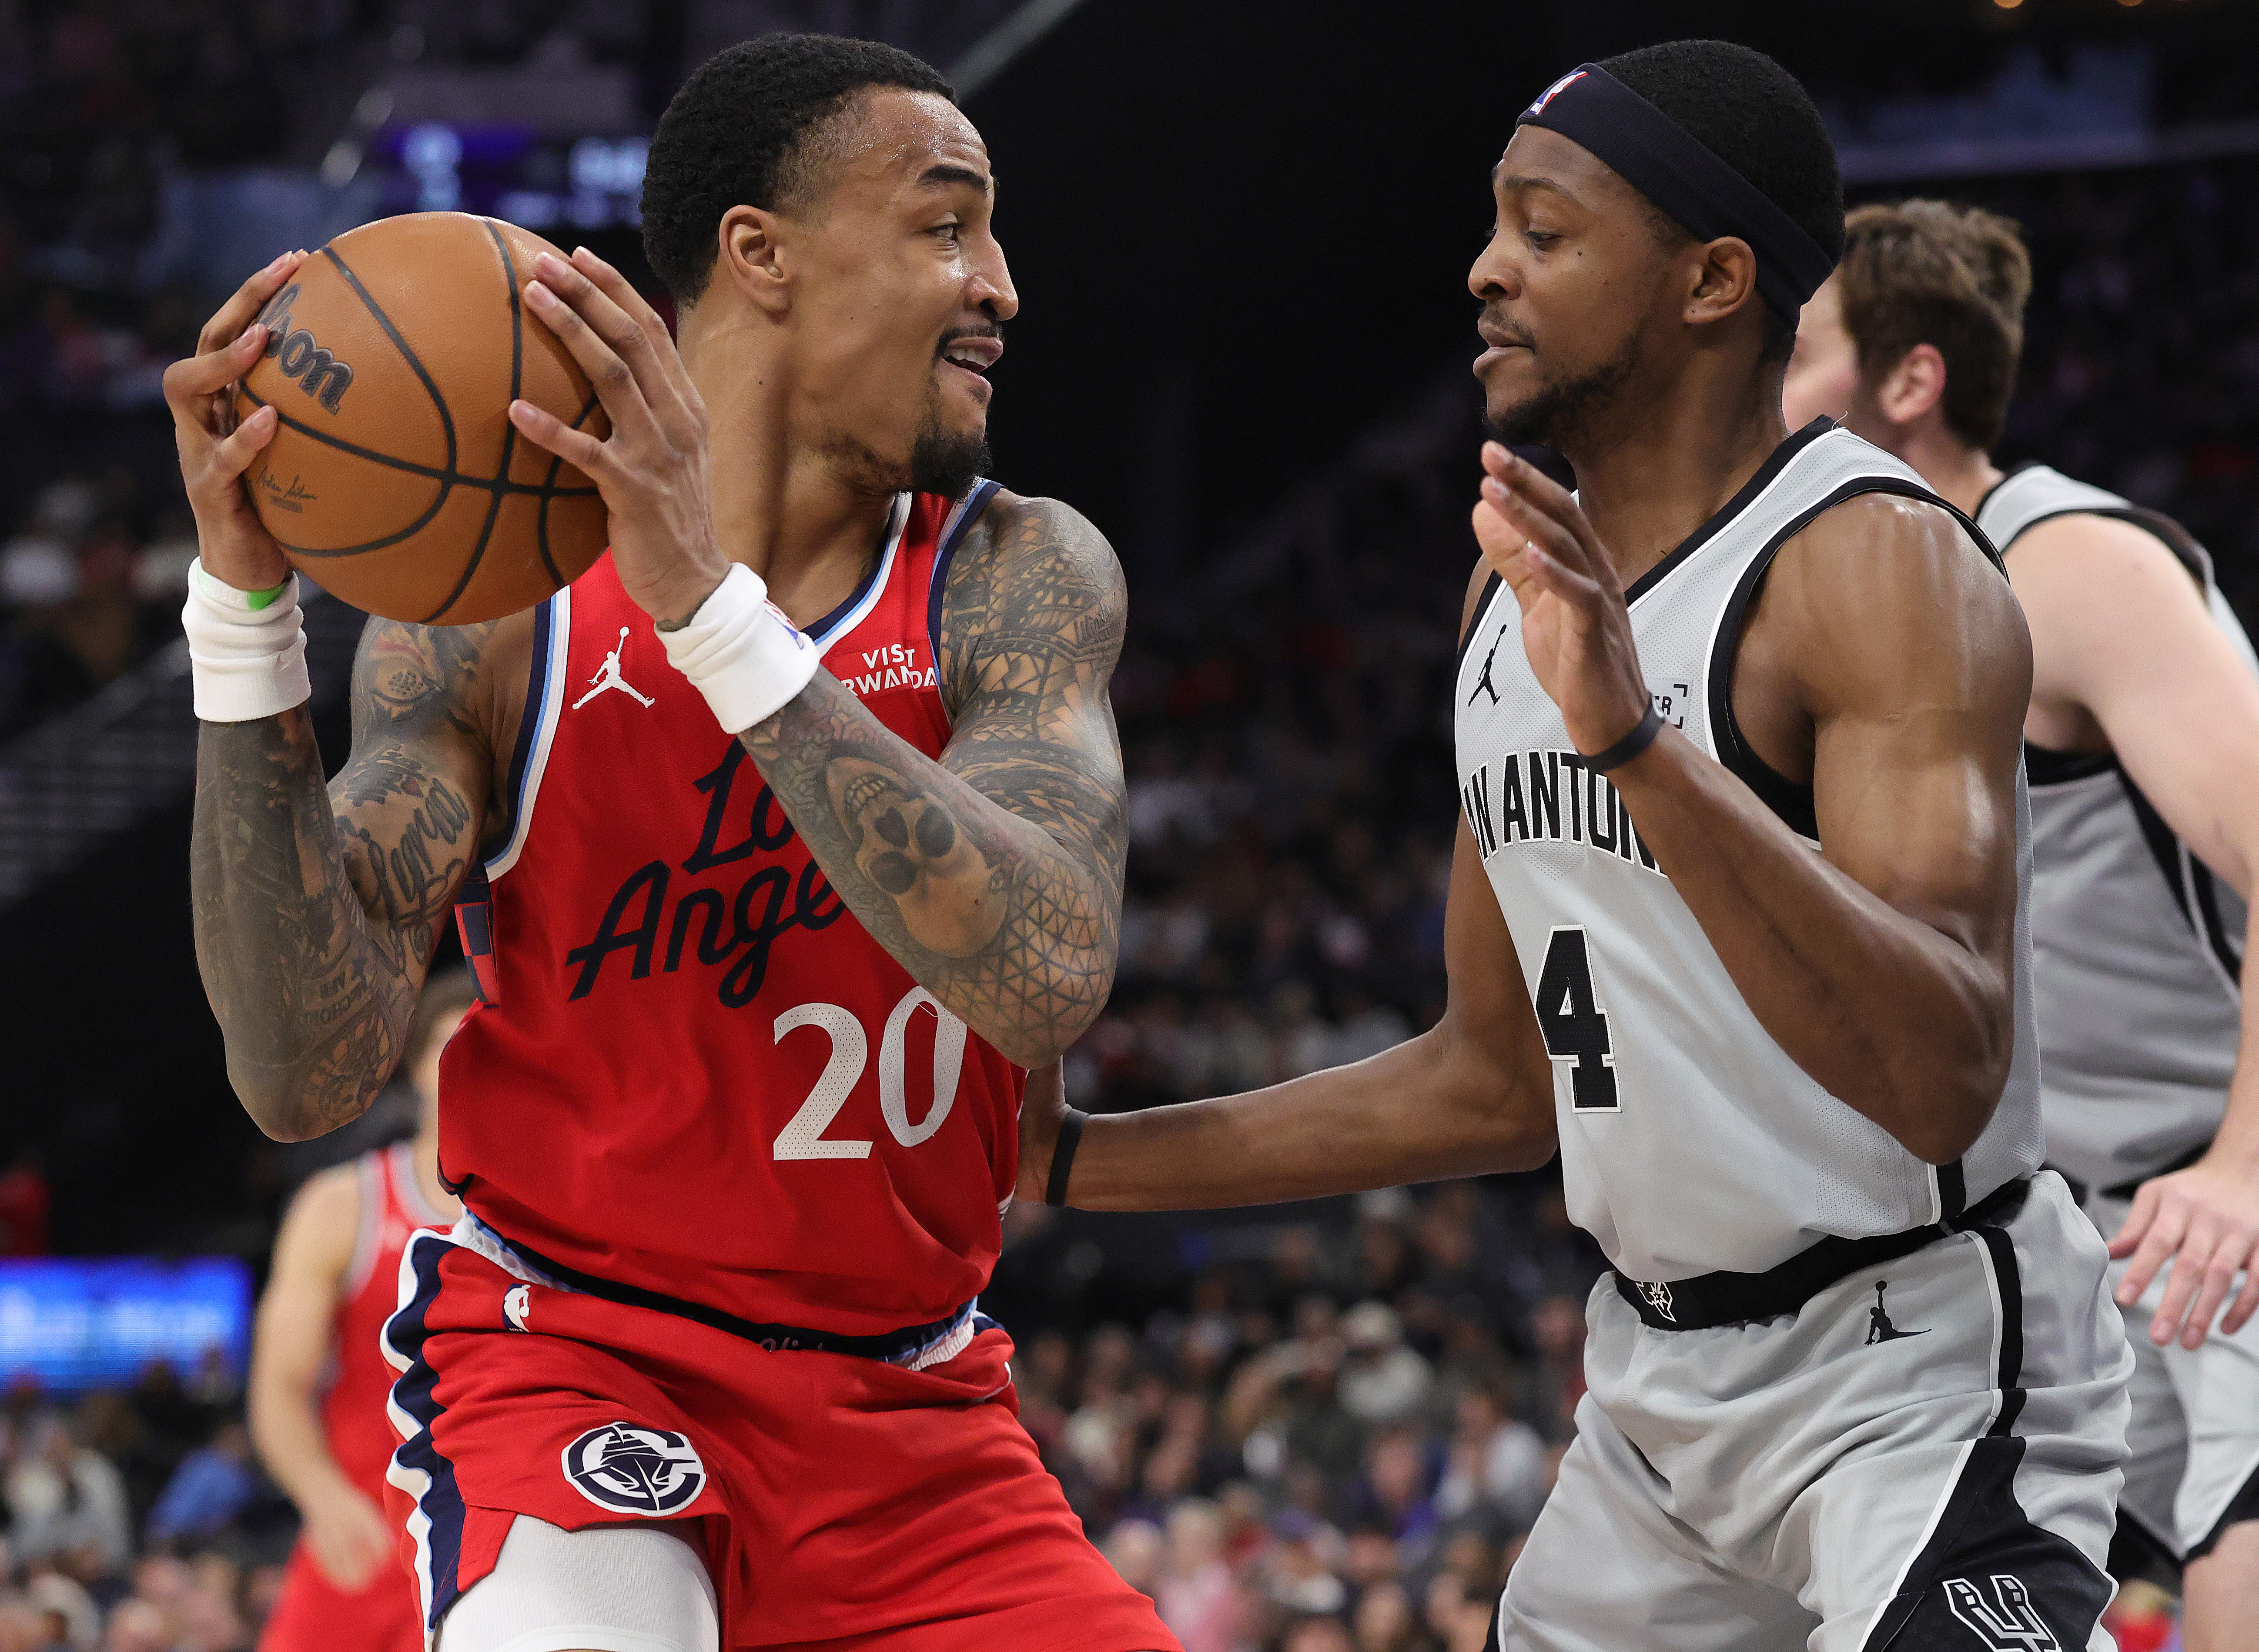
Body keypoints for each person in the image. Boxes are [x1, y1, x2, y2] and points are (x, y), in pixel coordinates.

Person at [1020, 40, 2133, 1649]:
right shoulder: (1511, 585)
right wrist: (1069, 1159)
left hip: (1916, 1369)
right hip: (1657, 1397)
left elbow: (1944, 1059)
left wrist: (1636, 745)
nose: (1485, 268)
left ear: (1710, 278)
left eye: (1544, 232)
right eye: (1494, 226)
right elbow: (1491, 1076)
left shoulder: (1877, 566)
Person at [169, 32, 1171, 1652]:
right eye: (944, 224)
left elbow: (1044, 971)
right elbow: (301, 1066)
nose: (996, 282)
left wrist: (716, 619)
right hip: (576, 1356)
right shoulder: (502, 609)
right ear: (757, 254)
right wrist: (243, 620)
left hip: (912, 1409)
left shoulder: (1015, 573)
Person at [1784, 197, 2259, 1649]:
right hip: (2066, 1241)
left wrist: (2244, 1168)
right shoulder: (1827, 610)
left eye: (1795, 352)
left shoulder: (2065, 567)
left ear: (1907, 384)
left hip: (2219, 1195)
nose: (1760, 389)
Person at [250, 968, 472, 1652]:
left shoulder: (560, 1210)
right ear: (418, 1067)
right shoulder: (342, 1203)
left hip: (500, 1537)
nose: (468, 1063)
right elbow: (278, 1388)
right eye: (449, 1044)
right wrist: (322, 1496)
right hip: (370, 1531)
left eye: (488, 1044)